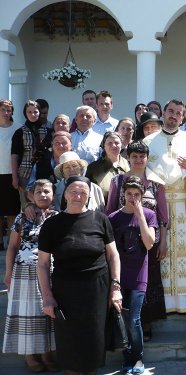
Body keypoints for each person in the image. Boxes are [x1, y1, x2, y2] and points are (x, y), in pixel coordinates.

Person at [37, 176, 122, 375]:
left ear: (89, 195)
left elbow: (113, 255)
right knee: (69, 342)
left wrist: (115, 287)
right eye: (73, 191)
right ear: (65, 194)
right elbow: (42, 264)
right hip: (65, 292)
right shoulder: (52, 225)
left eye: (83, 192)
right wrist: (47, 297)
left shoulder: (100, 219)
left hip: (97, 290)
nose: (78, 196)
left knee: (94, 339)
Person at [144, 99, 186, 313]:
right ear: (163, 113)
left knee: (184, 254)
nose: (173, 115)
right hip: (157, 209)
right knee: (159, 256)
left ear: (183, 117)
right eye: (170, 111)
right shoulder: (148, 142)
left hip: (183, 206)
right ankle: (163, 303)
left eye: (178, 113)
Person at [106, 140, 168, 340]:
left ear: (147, 158)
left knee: (148, 284)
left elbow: (163, 215)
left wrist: (164, 241)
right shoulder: (117, 181)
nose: (139, 160)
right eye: (134, 156)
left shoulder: (156, 182)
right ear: (128, 158)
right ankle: (124, 330)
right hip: (123, 243)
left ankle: (146, 326)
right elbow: (110, 211)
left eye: (142, 156)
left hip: (149, 240)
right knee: (125, 283)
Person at [3, 180, 59, 373]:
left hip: (50, 272)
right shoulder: (22, 217)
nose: (43, 195)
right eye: (38, 192)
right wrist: (8, 273)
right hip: (24, 272)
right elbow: (11, 247)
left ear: (53, 194)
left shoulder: (58, 217)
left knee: (45, 314)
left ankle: (46, 354)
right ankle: (29, 355)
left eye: (46, 191)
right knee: (27, 315)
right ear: (31, 195)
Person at [108, 176, 157, 374]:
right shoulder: (113, 218)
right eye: (129, 194)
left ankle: (137, 358)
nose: (133, 198)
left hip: (139, 272)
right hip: (119, 274)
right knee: (122, 316)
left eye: (137, 194)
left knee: (135, 318)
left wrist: (140, 215)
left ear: (142, 195)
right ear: (123, 194)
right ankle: (127, 356)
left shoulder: (149, 214)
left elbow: (149, 243)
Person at [11, 100, 50, 204]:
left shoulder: (47, 130)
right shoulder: (19, 132)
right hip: (25, 173)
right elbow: (14, 155)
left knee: (43, 201)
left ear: (39, 112)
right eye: (29, 112)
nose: (33, 114)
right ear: (25, 113)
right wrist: (14, 177)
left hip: (44, 171)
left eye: (35, 112)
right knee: (26, 204)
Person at [0, 99, 21, 250]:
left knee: (12, 209)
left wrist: (16, 176)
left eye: (8, 110)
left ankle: (11, 243)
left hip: (11, 173)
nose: (6, 113)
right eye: (2, 109)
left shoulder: (18, 128)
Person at [86, 131, 130, 202]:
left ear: (121, 145)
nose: (113, 146)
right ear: (104, 146)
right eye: (109, 143)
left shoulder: (129, 164)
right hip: (102, 209)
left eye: (116, 143)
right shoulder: (93, 168)